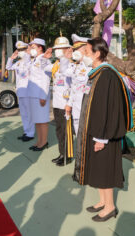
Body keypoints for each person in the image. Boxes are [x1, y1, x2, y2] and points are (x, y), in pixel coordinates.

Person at [73, 37, 133, 222]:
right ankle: (102, 201)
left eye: (86, 52)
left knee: (105, 171)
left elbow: (109, 109)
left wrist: (101, 138)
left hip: (104, 135)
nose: (83, 56)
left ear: (97, 53)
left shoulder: (107, 75)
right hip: (96, 132)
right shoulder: (96, 73)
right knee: (98, 170)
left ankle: (110, 207)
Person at [44, 36, 73, 166]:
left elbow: (67, 76)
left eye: (59, 49)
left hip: (66, 103)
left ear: (67, 49)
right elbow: (43, 68)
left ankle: (68, 156)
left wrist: (65, 58)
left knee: (66, 131)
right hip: (57, 103)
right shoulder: (55, 64)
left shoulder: (70, 64)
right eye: (56, 49)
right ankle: (62, 153)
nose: (57, 51)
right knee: (59, 130)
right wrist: (46, 57)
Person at [62, 34, 92, 135]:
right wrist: (69, 104)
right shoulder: (75, 66)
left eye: (77, 49)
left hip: (87, 108)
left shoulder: (91, 67)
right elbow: (65, 73)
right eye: (74, 50)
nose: (74, 52)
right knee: (79, 135)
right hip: (76, 108)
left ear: (86, 50)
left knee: (87, 135)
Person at [6, 41, 35, 142]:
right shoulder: (18, 63)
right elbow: (8, 67)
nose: (20, 52)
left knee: (29, 113)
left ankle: (31, 133)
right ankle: (26, 131)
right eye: (19, 50)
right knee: (23, 113)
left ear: (27, 50)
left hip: (28, 91)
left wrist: (28, 53)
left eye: (22, 50)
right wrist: (11, 58)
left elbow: (28, 61)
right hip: (20, 91)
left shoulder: (30, 62)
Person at [27, 38, 51, 151]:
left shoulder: (44, 60)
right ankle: (39, 141)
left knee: (42, 120)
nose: (31, 49)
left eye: (33, 47)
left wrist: (43, 95)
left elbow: (46, 78)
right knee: (37, 119)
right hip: (33, 94)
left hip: (40, 94)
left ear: (40, 47)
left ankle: (44, 142)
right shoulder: (34, 60)